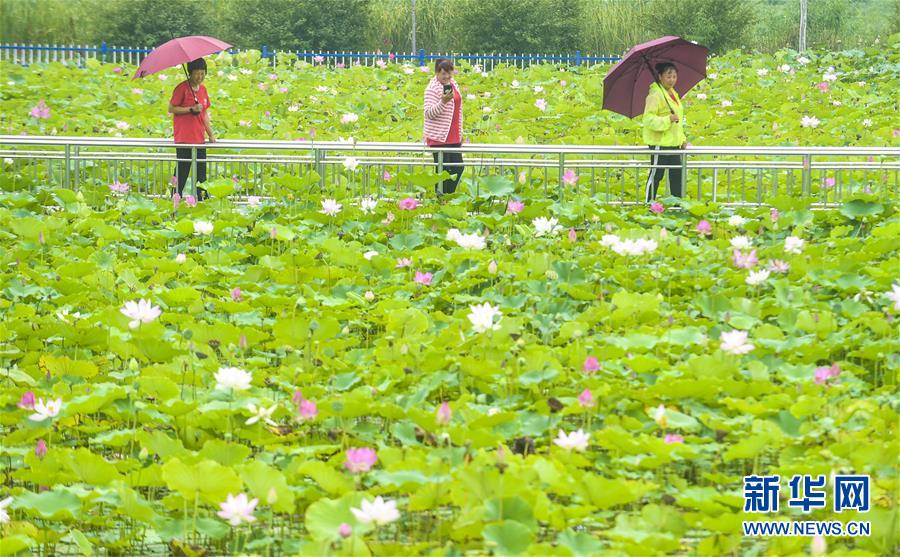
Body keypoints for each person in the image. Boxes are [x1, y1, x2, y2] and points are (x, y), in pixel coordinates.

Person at [169, 57, 216, 200]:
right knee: (181, 171)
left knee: (201, 173)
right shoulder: (182, 88)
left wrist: (211, 135)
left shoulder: (203, 90)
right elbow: (171, 108)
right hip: (184, 138)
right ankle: (174, 199)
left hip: (199, 138)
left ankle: (202, 201)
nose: (199, 77)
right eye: (197, 73)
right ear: (190, 73)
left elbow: (205, 114)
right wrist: (190, 109)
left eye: (202, 73)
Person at [642, 62, 686, 203]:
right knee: (656, 175)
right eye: (668, 76)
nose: (672, 79)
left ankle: (676, 206)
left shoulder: (673, 94)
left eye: (674, 76)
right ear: (660, 77)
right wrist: (668, 119)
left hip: (674, 144)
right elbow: (648, 119)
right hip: (659, 144)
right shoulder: (655, 95)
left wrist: (682, 139)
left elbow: (678, 122)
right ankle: (648, 204)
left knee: (676, 176)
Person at [423, 58, 464, 195]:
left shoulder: (453, 84)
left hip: (454, 136)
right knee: (443, 172)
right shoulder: (432, 89)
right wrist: (443, 102)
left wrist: (460, 133)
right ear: (436, 73)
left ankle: (446, 196)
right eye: (443, 74)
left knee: (458, 168)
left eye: (449, 73)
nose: (446, 77)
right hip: (439, 137)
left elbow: (458, 110)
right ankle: (441, 199)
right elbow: (428, 113)